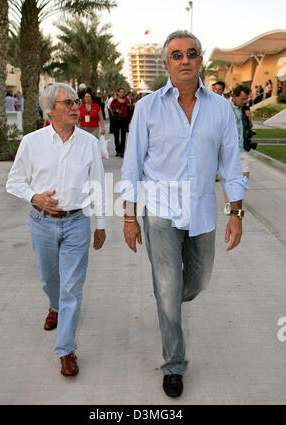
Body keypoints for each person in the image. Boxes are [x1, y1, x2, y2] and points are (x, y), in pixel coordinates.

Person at [121, 30, 247, 398]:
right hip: (159, 213)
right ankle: (174, 364)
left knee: (197, 282)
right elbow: (132, 168)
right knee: (167, 285)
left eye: (192, 53)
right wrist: (129, 218)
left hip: (203, 212)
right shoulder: (147, 108)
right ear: (166, 64)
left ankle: (167, 301)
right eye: (177, 55)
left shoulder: (221, 108)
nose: (185, 60)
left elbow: (232, 166)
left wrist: (236, 213)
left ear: (201, 60)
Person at [6, 83, 106, 377]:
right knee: (50, 279)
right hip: (42, 222)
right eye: (69, 103)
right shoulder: (32, 142)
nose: (77, 108)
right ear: (50, 111)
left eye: (76, 102)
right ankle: (53, 306)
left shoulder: (88, 143)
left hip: (77, 223)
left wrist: (100, 225)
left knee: (72, 288)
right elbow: (14, 181)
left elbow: (97, 186)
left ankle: (66, 349)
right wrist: (35, 197)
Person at [222, 84, 251, 214]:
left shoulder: (245, 109)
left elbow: (248, 127)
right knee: (228, 177)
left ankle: (236, 198)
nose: (245, 101)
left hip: (242, 148)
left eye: (246, 99)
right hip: (229, 149)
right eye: (243, 99)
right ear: (234, 96)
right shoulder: (225, 107)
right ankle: (228, 203)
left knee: (245, 176)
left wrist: (249, 117)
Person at [110, 88, 130, 157]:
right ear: (118, 92)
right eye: (120, 92)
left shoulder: (126, 99)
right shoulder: (114, 100)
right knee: (116, 136)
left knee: (123, 136)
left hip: (124, 119)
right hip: (116, 119)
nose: (122, 93)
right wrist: (113, 113)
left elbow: (123, 102)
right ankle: (117, 151)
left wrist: (116, 98)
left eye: (123, 92)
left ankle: (122, 152)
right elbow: (110, 107)